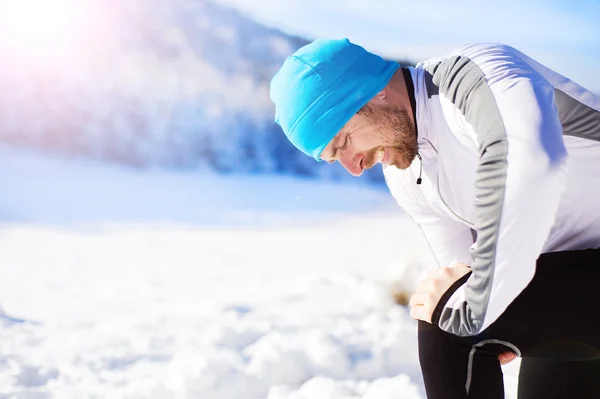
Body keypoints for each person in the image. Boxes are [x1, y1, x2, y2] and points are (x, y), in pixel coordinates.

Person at [269, 38, 600, 398]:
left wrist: (481, 309)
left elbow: (530, 161)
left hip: (581, 273)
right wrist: (490, 319)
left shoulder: (474, 77)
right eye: (335, 159)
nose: (354, 167)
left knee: (448, 320)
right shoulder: (405, 174)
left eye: (343, 141)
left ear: (372, 92)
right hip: (574, 280)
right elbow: (461, 270)